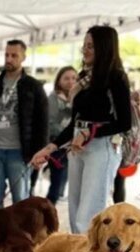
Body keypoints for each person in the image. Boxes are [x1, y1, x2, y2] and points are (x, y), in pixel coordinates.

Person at [32, 26, 131, 234]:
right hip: (78, 146)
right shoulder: (84, 76)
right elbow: (74, 123)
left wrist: (89, 132)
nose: (84, 50)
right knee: (75, 209)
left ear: (104, 48)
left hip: (102, 147)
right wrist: (49, 148)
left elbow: (124, 123)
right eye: (84, 45)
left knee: (90, 212)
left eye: (91, 46)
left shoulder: (116, 77)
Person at [0, 39, 49, 212]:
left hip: (20, 153)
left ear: (23, 57)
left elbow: (43, 122)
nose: (9, 59)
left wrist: (41, 152)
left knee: (21, 200)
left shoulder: (34, 87)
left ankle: (21, 237)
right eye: (7, 55)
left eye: (14, 55)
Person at [45, 66, 78, 204]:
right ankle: (49, 207)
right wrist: (67, 136)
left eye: (74, 78)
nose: (71, 81)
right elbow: (51, 123)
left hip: (76, 145)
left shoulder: (80, 96)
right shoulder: (53, 98)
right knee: (56, 181)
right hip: (57, 145)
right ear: (59, 80)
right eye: (66, 78)